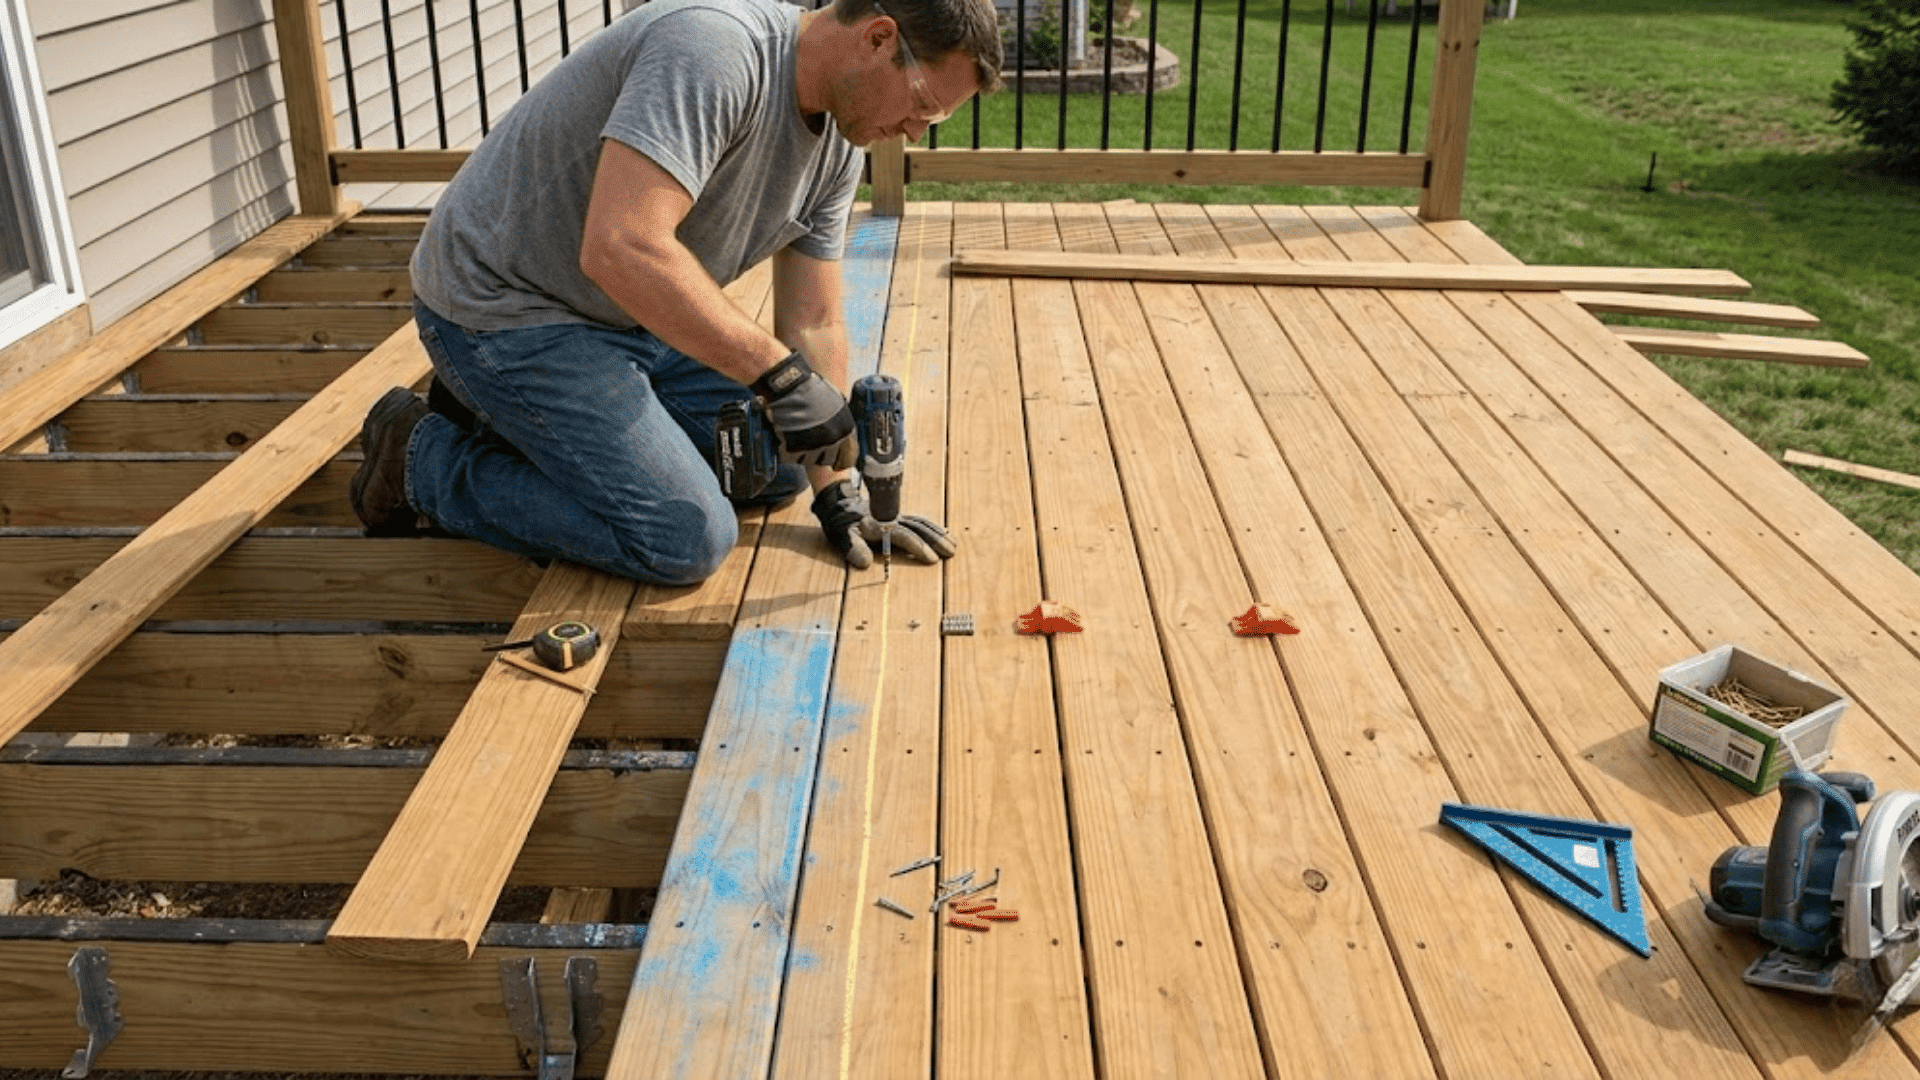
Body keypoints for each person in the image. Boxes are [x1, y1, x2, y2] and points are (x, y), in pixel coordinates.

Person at [350, 0, 1002, 585]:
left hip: (631, 315)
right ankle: (419, 455)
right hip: (506, 307)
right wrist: (778, 376)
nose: (918, 131)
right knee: (684, 538)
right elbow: (622, 245)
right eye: (923, 107)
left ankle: (508, 420)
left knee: (770, 466)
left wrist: (837, 492)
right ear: (879, 39)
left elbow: (817, 319)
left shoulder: (840, 143)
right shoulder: (713, 50)